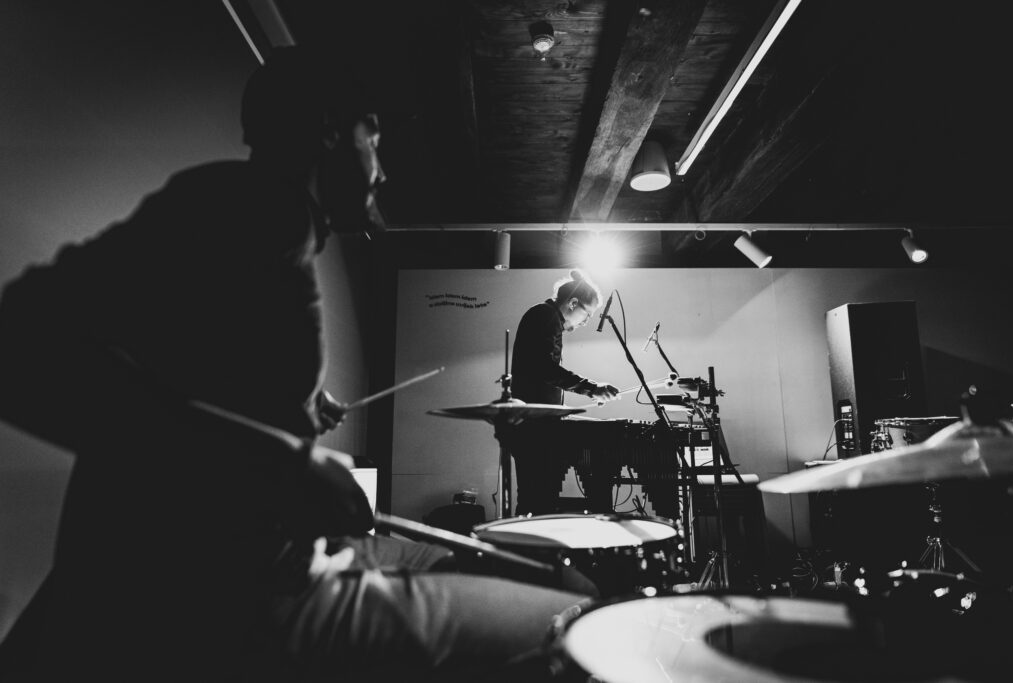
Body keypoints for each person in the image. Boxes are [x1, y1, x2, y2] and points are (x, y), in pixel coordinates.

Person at [0, 46, 588, 682]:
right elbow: (22, 341)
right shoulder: (255, 205)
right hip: (236, 595)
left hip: (280, 558)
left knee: (502, 569)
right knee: (575, 625)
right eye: (374, 139)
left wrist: (298, 409)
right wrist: (286, 460)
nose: (382, 170)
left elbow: (192, 384)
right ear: (329, 129)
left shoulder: (271, 223)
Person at [509, 269, 620, 515]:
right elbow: (544, 369)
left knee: (537, 500)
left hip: (536, 424)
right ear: (572, 303)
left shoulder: (547, 317)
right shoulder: (545, 316)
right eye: (587, 315)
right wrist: (592, 388)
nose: (586, 322)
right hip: (533, 428)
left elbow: (544, 373)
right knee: (535, 500)